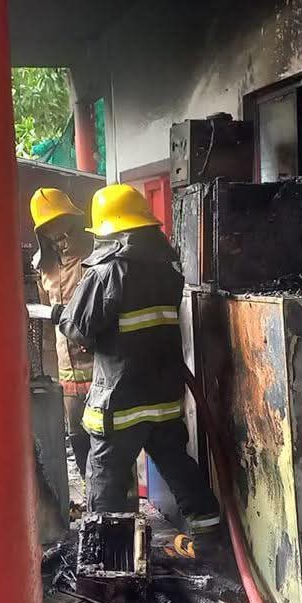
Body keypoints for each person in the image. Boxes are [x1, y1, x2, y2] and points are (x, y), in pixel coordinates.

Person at [55, 184, 220, 533]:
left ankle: (107, 556)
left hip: (120, 403)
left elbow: (79, 327)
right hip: (164, 400)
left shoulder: (105, 272)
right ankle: (210, 537)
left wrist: (61, 315)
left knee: (106, 487)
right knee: (180, 470)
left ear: (109, 230)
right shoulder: (168, 270)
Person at [30, 188, 95, 478]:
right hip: (67, 370)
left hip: (99, 365)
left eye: (63, 226)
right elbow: (47, 322)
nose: (59, 236)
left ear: (74, 219)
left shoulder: (94, 256)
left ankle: (120, 502)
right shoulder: (43, 266)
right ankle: (92, 496)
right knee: (78, 437)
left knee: (108, 440)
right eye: (50, 230)